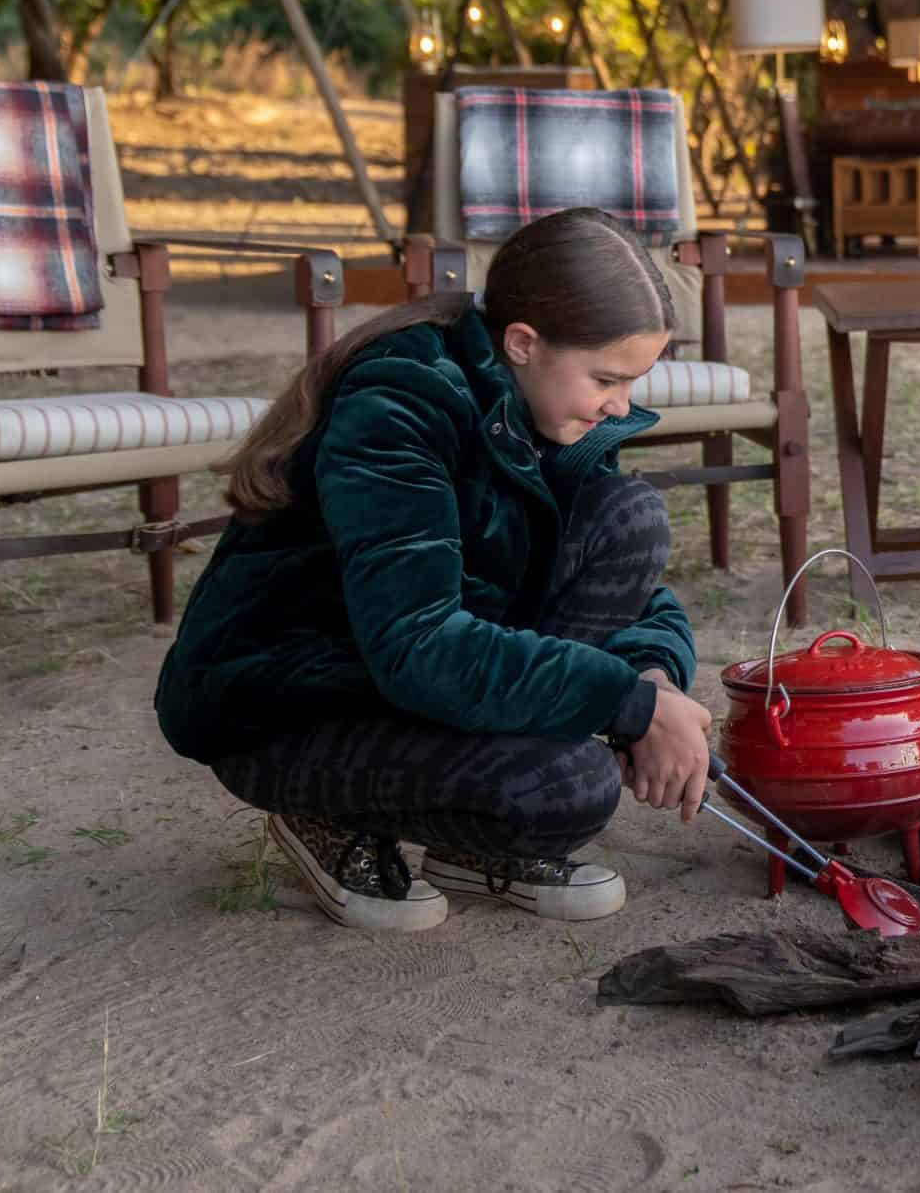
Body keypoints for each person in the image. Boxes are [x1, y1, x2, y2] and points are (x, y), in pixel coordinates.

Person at [153, 208, 713, 932]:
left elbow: (636, 595)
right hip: (289, 699)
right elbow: (417, 646)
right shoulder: (402, 401)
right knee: (571, 785)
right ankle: (319, 813)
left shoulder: (546, 405)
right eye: (608, 377)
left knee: (631, 515)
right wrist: (625, 708)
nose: (622, 405)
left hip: (411, 677)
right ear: (523, 342)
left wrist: (653, 680)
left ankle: (472, 842)